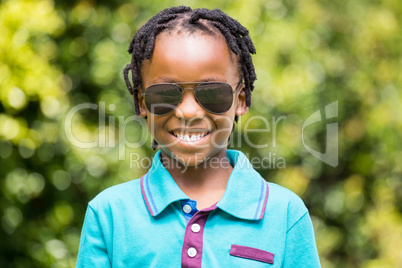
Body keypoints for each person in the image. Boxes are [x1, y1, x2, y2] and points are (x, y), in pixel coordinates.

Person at [76, 6, 320, 267]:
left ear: (240, 99)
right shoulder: (109, 215)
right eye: (165, 94)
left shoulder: (284, 214)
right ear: (142, 102)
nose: (189, 111)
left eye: (212, 93)